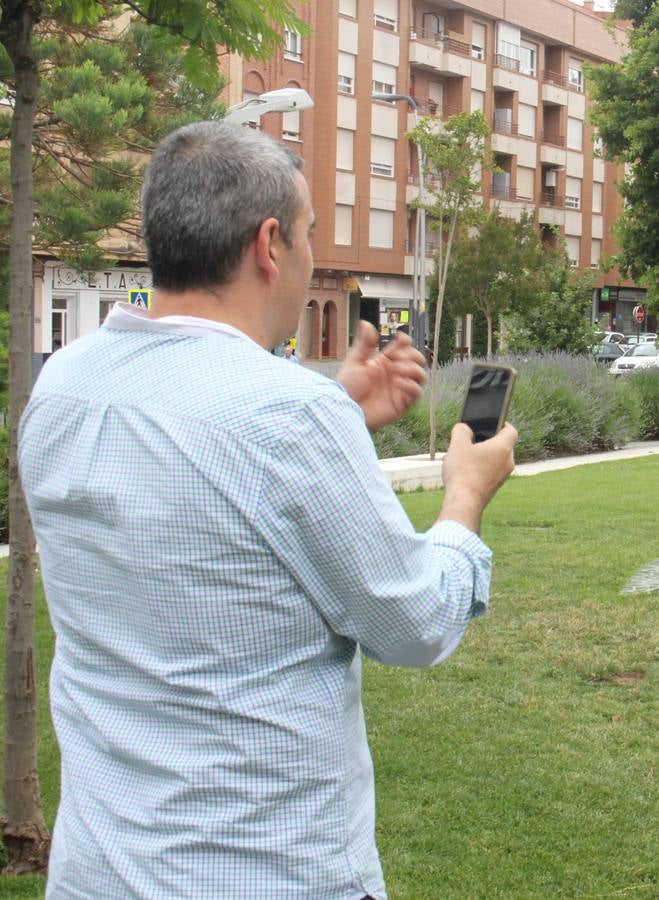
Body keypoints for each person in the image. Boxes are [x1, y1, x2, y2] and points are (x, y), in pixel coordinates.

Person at [19, 121, 518, 898]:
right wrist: (466, 494)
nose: (315, 257)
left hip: (99, 874)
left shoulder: (64, 385)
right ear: (269, 244)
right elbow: (417, 623)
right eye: (312, 235)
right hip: (266, 873)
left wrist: (336, 403)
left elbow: (198, 472)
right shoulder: (284, 419)